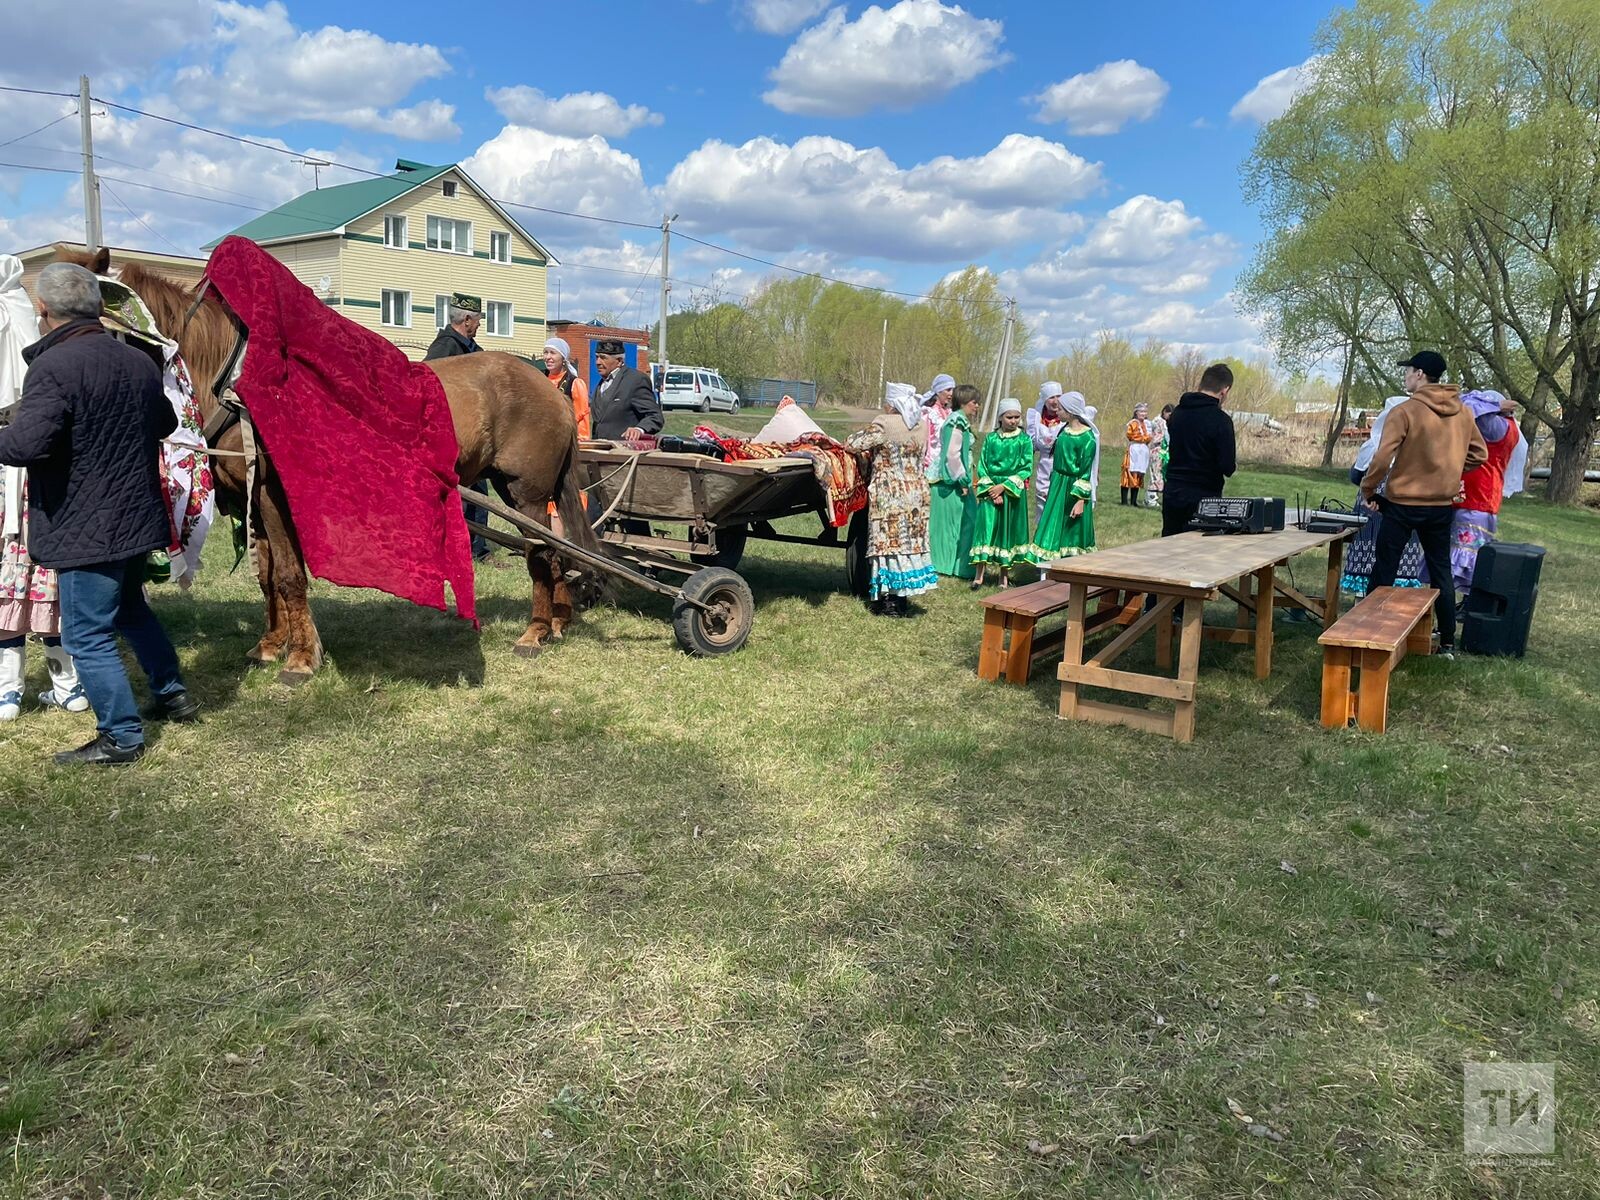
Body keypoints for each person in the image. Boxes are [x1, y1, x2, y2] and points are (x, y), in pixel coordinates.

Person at [0, 263, 196, 765]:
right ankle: (172, 693)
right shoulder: (134, 360)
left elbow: (24, 445)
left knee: (86, 633)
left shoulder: (54, 365)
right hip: (133, 517)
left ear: (43, 309)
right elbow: (165, 421)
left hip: (86, 524)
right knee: (131, 610)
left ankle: (121, 737)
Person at [0, 255, 89, 721]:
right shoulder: (28, 314)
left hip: (5, 460)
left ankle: (7, 692)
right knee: (45, 583)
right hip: (40, 467)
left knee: (5, 582)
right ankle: (68, 684)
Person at [1360, 350, 1488, 659]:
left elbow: (1382, 457)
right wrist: (1451, 472)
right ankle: (1446, 643)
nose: (1405, 376)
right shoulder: (1463, 413)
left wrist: (1368, 489)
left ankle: (1368, 630)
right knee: (1441, 571)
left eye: (1408, 371)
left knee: (1385, 567)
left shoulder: (1405, 411)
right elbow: (1479, 455)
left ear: (1420, 374)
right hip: (1440, 506)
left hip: (1401, 504)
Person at [847, 383, 937, 615]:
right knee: (908, 547)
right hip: (916, 491)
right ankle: (902, 599)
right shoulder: (920, 424)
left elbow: (853, 443)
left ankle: (889, 602)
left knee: (888, 547)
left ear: (891, 404)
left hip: (891, 493)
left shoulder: (885, 423)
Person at [424, 294, 494, 563]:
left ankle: (479, 549)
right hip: (451, 438)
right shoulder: (444, 349)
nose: (479, 325)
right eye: (477, 320)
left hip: (476, 438)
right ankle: (452, 548)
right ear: (466, 320)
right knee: (457, 498)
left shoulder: (474, 350)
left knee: (479, 494)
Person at [1341, 392, 1427, 596]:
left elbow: (1356, 476)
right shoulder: (1421, 448)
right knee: (1399, 554)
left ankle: (1364, 605)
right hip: (1406, 510)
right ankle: (1396, 607)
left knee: (1371, 558)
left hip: (1374, 507)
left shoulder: (1374, 445)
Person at [1451, 389, 1522, 600]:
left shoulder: (1496, 426)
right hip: (1483, 497)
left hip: (1475, 497)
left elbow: (1466, 407)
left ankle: (1464, 605)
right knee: (1471, 555)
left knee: (1463, 558)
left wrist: (1494, 406)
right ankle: (1464, 605)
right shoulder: (1508, 427)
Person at [1163, 363, 1237, 537]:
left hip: (1173, 490)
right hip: (1204, 496)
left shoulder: (1178, 414)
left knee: (1168, 547)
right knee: (1198, 551)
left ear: (1201, 385)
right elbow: (1227, 466)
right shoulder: (1221, 420)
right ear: (1225, 390)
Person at [1025, 391, 1098, 562]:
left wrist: (1080, 500)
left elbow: (1085, 472)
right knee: (1052, 522)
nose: (1056, 411)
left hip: (1074, 487)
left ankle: (1072, 565)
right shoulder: (1064, 431)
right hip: (1058, 484)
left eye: (1061, 409)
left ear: (1071, 411)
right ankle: (1048, 566)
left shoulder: (1087, 438)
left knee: (1071, 526)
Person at [969, 398, 1034, 589]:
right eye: (1009, 417)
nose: (1013, 421)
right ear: (1000, 417)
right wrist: (992, 490)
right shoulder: (991, 438)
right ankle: (979, 574)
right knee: (985, 529)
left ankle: (1003, 576)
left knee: (1007, 530)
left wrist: (1003, 488)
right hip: (991, 490)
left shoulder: (1024, 440)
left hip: (1011, 492)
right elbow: (983, 465)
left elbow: (1026, 467)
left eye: (1016, 417)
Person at [929, 384, 978, 579]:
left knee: (964, 522)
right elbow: (952, 454)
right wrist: (962, 480)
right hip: (949, 481)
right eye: (975, 402)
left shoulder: (960, 420)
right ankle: (945, 565)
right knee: (951, 524)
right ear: (965, 402)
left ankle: (958, 565)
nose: (977, 406)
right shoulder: (956, 421)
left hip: (955, 480)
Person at [590, 339, 663, 442]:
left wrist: (639, 429)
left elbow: (655, 416)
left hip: (625, 451)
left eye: (603, 358)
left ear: (619, 361)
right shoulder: (602, 383)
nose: (598, 362)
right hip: (600, 451)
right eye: (597, 357)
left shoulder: (635, 380)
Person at [1027, 381, 1065, 521]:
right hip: (1044, 466)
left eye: (1058, 396)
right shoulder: (1036, 418)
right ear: (1044, 399)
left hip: (1063, 464)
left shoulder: (1067, 418)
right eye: (1051, 397)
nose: (1055, 401)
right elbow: (1030, 446)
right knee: (1043, 503)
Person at [541, 336, 590, 439]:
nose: (548, 357)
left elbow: (581, 415)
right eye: (546, 352)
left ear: (563, 358)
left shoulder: (574, 383)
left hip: (564, 438)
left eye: (553, 353)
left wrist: (581, 440)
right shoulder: (539, 378)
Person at [921, 373, 955, 479]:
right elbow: (925, 440)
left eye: (952, 390)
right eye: (948, 390)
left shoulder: (949, 412)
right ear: (939, 391)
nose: (951, 394)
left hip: (948, 462)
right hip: (932, 464)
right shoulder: (929, 413)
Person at [1120, 402, 1154, 505]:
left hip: (1143, 450)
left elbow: (1149, 437)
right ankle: (1124, 500)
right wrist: (1143, 438)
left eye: (1145, 412)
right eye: (1141, 411)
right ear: (1136, 412)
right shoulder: (1133, 423)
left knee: (1139, 473)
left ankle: (1134, 501)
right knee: (1129, 472)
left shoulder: (1147, 424)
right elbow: (1130, 435)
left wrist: (1147, 439)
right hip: (1134, 449)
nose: (1143, 414)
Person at [1144, 403, 1173, 508]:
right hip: (1156, 450)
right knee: (1155, 473)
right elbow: (1154, 437)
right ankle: (1151, 497)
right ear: (1164, 412)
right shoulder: (1157, 422)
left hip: (1164, 452)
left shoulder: (1166, 423)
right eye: (1169, 415)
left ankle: (1155, 496)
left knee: (1162, 473)